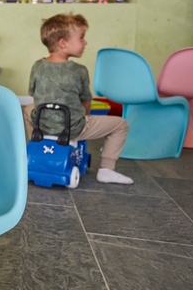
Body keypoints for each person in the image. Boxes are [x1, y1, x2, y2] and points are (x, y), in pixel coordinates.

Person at [28, 13, 133, 184]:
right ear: (63, 43)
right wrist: (84, 116)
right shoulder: (79, 70)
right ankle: (107, 169)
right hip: (73, 128)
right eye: (82, 38)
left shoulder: (37, 66)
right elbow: (85, 102)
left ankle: (33, 144)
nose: (85, 43)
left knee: (28, 109)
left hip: (42, 125)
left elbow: (34, 93)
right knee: (121, 125)